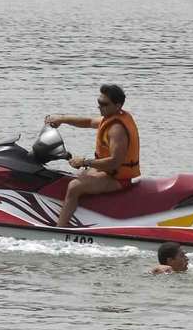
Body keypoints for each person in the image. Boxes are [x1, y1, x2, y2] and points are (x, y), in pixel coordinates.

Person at [44, 84, 141, 227]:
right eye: (99, 102)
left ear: (118, 105)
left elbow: (115, 162)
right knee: (74, 177)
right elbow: (88, 122)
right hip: (109, 172)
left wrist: (84, 162)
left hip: (119, 178)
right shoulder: (111, 118)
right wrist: (61, 119)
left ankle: (60, 229)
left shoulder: (116, 130)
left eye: (104, 104)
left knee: (74, 187)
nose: (100, 107)